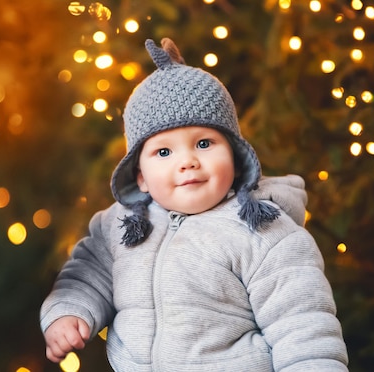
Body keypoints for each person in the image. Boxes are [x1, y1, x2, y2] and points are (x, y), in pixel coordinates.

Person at [40, 38, 349, 371]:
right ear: (140, 175)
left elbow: (303, 327)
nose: (187, 161)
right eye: (163, 152)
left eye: (204, 143)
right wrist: (69, 313)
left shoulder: (264, 231)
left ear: (236, 156)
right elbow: (88, 276)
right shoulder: (121, 226)